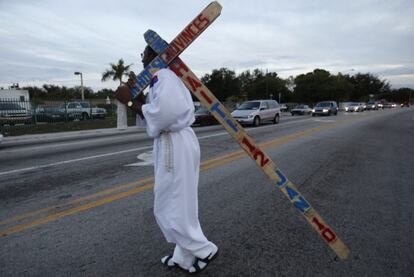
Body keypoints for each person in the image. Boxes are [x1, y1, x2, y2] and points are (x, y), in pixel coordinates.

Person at [115, 45, 218, 274]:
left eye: (143, 54)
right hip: (174, 141)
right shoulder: (161, 78)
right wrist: (138, 96)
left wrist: (131, 102)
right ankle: (183, 256)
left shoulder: (164, 75)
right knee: (178, 202)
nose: (141, 58)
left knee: (170, 204)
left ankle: (204, 249)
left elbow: (165, 113)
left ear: (153, 55)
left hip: (175, 142)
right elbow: (155, 109)